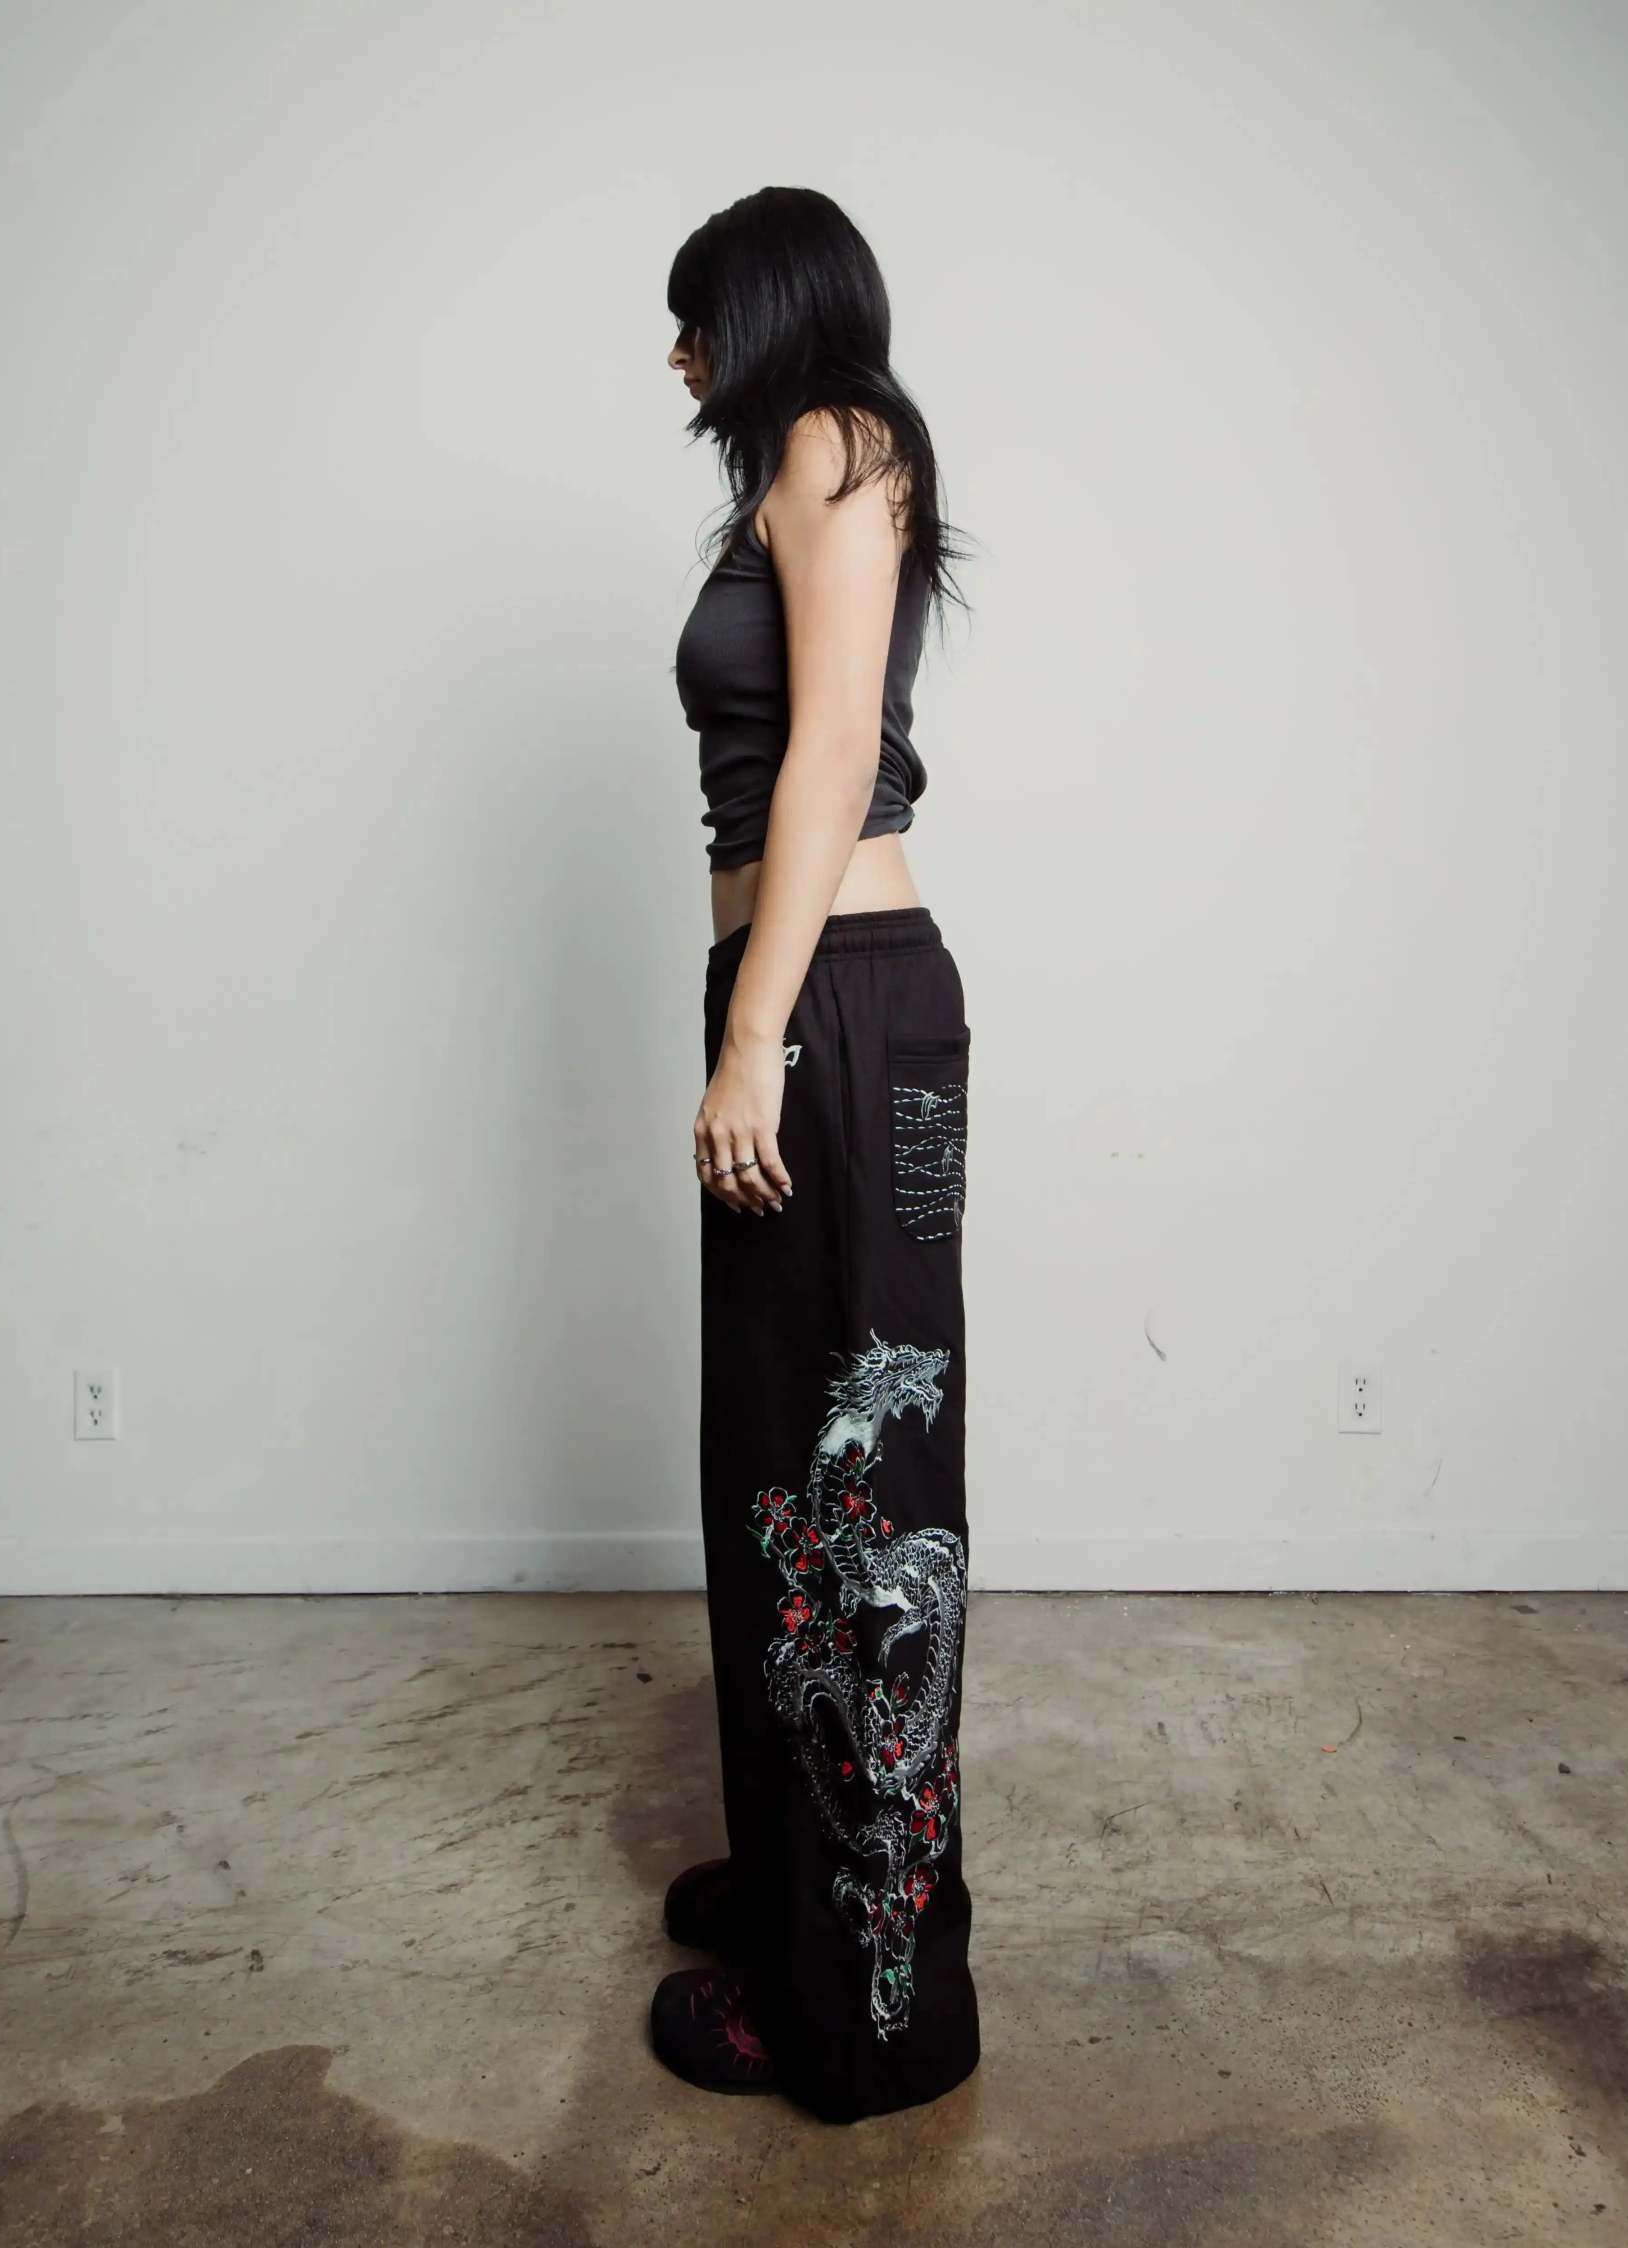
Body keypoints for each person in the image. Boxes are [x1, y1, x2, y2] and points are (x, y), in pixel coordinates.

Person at [650, 186, 980, 2126]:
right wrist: (748, 1015)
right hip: (801, 995)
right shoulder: (792, 466)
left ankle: (864, 2005)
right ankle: (805, 1876)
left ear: (768, 307)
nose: (677, 353)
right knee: (783, 1465)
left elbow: (836, 748)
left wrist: (754, 1038)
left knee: (856, 1492)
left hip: (835, 1006)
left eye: (695, 316)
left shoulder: (840, 440)